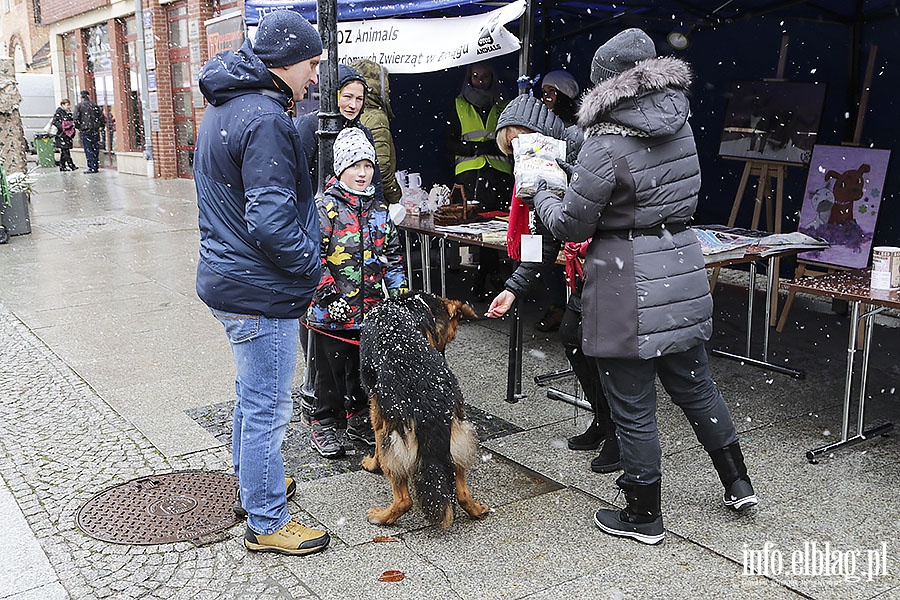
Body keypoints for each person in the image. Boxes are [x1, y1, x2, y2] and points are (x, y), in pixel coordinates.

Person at [528, 28, 758, 546]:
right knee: (696, 387)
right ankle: (738, 482)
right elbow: (655, 189)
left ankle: (643, 515)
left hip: (624, 278)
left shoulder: (604, 142)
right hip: (680, 262)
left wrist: (542, 191)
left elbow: (571, 225)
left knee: (632, 404)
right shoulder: (682, 126)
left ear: (604, 86)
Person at [193, 9, 330, 556]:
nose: (316, 77)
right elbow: (271, 220)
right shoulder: (265, 118)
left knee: (251, 395)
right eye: (313, 65)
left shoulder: (227, 105)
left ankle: (254, 484)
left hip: (230, 276)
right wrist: (311, 265)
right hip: (258, 287)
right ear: (288, 60)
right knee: (268, 405)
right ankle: (268, 520)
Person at [485, 94, 620, 474]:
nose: (517, 153)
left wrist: (568, 177)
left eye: (518, 141)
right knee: (572, 336)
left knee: (600, 350)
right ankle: (604, 420)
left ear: (536, 132)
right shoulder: (535, 173)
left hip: (611, 265)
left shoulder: (582, 144)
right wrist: (513, 288)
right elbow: (541, 239)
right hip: (585, 270)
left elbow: (600, 203)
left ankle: (620, 435)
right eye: (510, 149)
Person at [305, 127, 408, 458]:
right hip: (330, 313)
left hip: (371, 313)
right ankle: (324, 422)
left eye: (368, 166)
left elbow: (392, 259)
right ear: (340, 169)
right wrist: (328, 296)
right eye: (355, 166)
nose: (363, 173)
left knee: (363, 373)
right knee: (329, 374)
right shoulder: (325, 207)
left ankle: (359, 418)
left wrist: (402, 298)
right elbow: (312, 258)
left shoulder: (379, 210)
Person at [446, 61, 514, 298]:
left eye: (485, 76)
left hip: (497, 175)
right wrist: (474, 148)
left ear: (493, 78)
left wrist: (492, 146)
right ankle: (485, 274)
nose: (480, 80)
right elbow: (449, 142)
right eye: (475, 76)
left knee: (493, 226)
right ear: (469, 78)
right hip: (469, 175)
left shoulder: (503, 105)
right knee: (473, 226)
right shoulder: (458, 105)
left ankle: (486, 275)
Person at [533, 69, 582, 332]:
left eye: (551, 92)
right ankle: (555, 306)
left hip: (572, 202)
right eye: (543, 93)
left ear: (565, 94)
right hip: (547, 202)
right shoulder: (545, 124)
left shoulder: (579, 129)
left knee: (573, 256)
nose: (546, 98)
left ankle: (573, 308)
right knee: (547, 255)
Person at [350, 59, 402, 204]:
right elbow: (382, 168)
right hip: (372, 200)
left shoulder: (351, 115)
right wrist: (395, 198)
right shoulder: (376, 117)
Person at [72, 90, 105, 173]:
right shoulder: (94, 105)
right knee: (95, 148)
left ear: (81, 97)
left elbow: (75, 118)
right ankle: (95, 165)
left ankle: (91, 166)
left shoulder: (79, 106)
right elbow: (101, 117)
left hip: (85, 130)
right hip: (94, 130)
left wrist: (79, 127)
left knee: (88, 148)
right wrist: (101, 125)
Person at [51, 99, 77, 172]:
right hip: (62, 135)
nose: (68, 106)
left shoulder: (68, 112)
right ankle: (71, 165)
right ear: (62, 105)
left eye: (69, 105)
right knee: (65, 150)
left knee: (64, 150)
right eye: (67, 105)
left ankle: (62, 165)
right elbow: (55, 122)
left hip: (67, 134)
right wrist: (63, 127)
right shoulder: (59, 112)